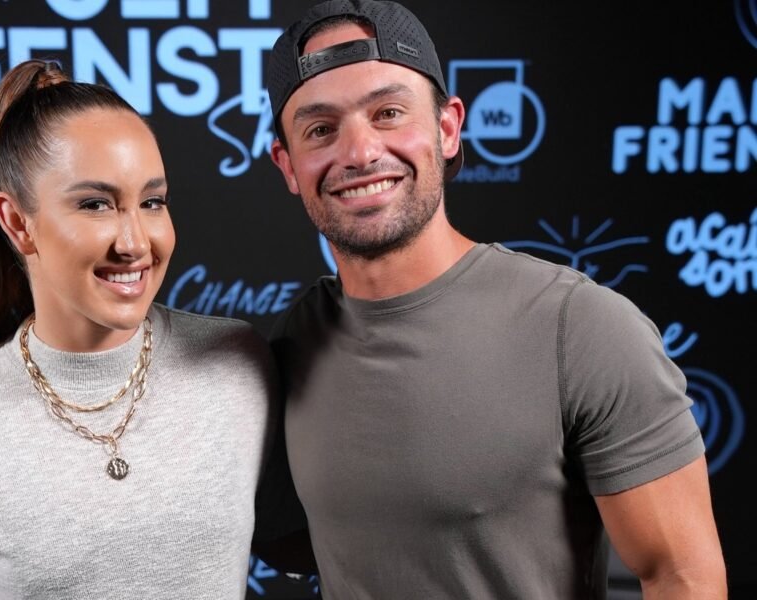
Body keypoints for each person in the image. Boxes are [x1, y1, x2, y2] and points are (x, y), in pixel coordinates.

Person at [263, 1, 727, 598]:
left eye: (388, 113)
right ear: (288, 165)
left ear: (447, 128)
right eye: (320, 129)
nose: (360, 152)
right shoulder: (299, 336)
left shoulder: (578, 326)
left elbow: (683, 576)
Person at [0, 59, 274, 599]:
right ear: (18, 222)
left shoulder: (238, 366)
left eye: (152, 202)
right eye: (95, 204)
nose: (134, 242)